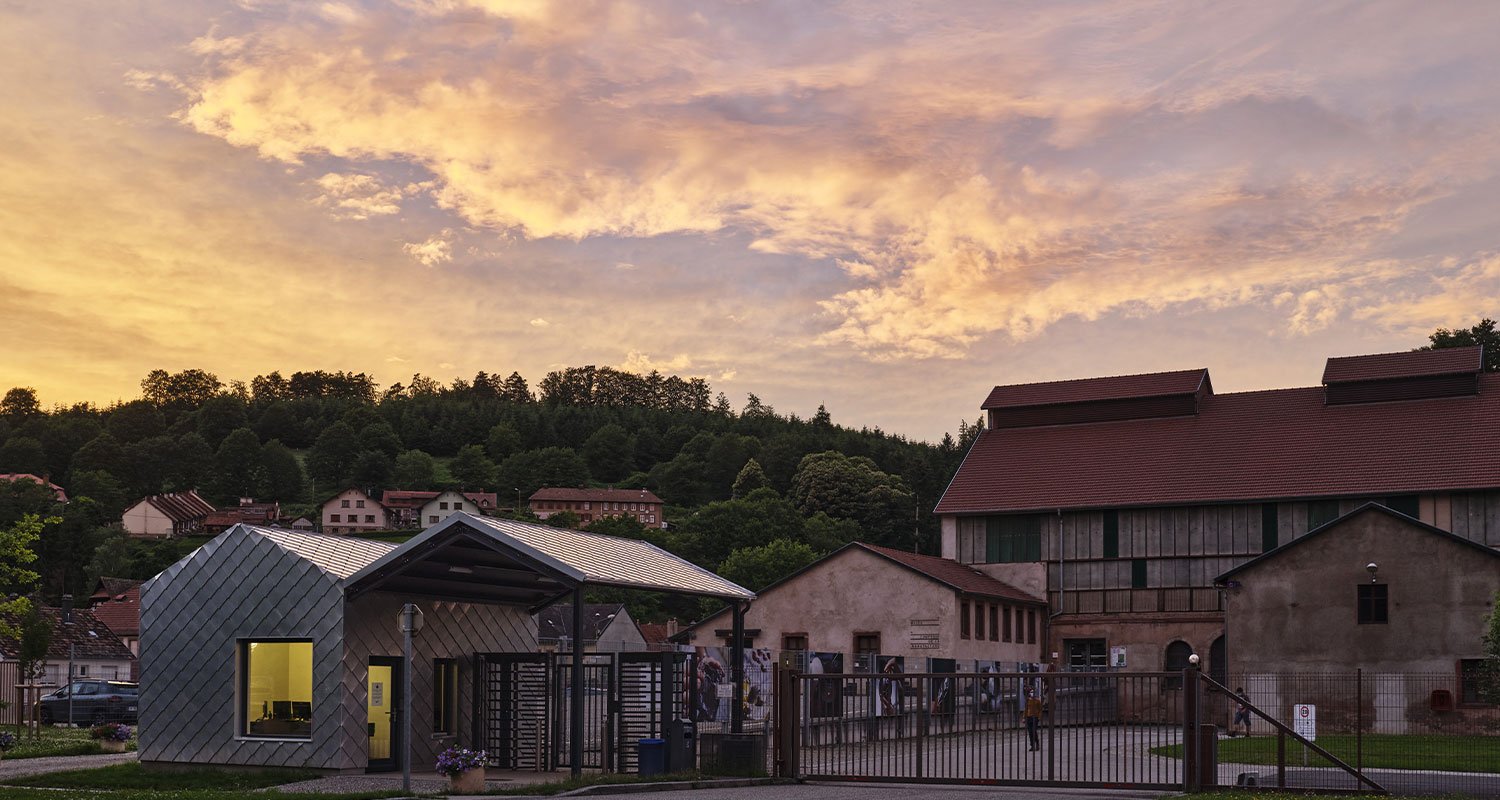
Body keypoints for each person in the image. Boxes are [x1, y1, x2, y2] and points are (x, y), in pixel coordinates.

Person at [1023, 686, 1043, 751]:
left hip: (1035, 717)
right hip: (1029, 717)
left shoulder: (1038, 701)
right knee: (1030, 732)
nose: (1032, 693)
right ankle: (1032, 745)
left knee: (1034, 731)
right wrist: (1024, 717)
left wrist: (1039, 717)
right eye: (1031, 692)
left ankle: (1037, 743)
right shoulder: (1028, 700)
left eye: (1033, 692)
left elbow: (1040, 709)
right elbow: (1025, 709)